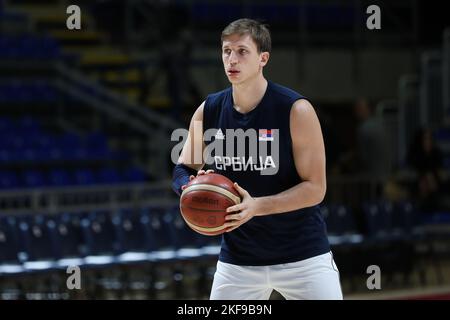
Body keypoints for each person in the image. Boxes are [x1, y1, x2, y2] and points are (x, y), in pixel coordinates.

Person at [171, 18, 343, 300]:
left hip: (302, 255)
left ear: (263, 58)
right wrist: (188, 188)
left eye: (242, 51)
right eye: (226, 51)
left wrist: (257, 206)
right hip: (239, 260)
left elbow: (316, 188)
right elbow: (183, 167)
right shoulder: (209, 110)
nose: (232, 59)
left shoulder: (295, 110)